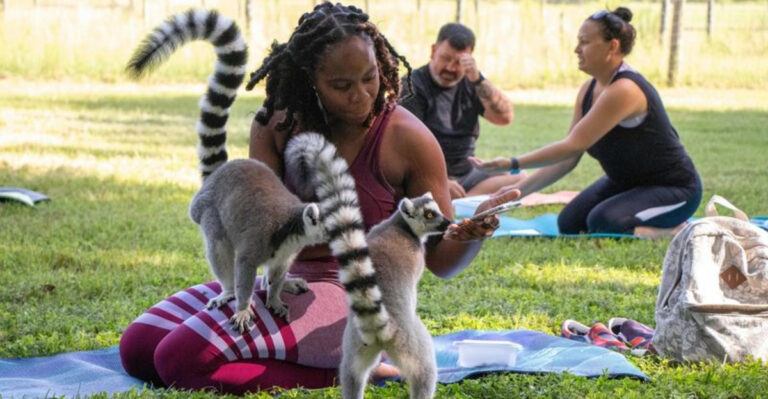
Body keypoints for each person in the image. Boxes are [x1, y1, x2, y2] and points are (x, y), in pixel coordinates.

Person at [119, 3, 514, 395]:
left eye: (370, 77)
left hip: (357, 299)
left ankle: (358, 370)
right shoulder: (276, 124)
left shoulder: (408, 139)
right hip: (284, 282)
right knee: (138, 348)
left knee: (178, 360)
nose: (361, 96)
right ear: (310, 79)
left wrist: (472, 232)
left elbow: (440, 261)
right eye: (342, 86)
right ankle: (294, 360)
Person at [472, 7, 702, 236]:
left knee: (603, 222)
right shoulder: (588, 90)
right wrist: (515, 191)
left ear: (612, 46)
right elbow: (568, 157)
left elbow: (572, 146)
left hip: (674, 189)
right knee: (570, 223)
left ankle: (678, 231)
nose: (576, 49)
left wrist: (511, 164)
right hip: (626, 184)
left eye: (584, 42)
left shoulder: (626, 89)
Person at [399, 22, 525, 199]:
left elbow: (504, 118)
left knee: (520, 177)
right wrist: (441, 180)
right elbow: (405, 145)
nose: (450, 67)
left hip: (467, 172)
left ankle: (462, 202)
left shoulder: (473, 82)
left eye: (459, 62)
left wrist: (478, 79)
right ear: (433, 50)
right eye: (445, 58)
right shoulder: (413, 85)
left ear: (470, 59)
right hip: (427, 174)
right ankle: (464, 202)